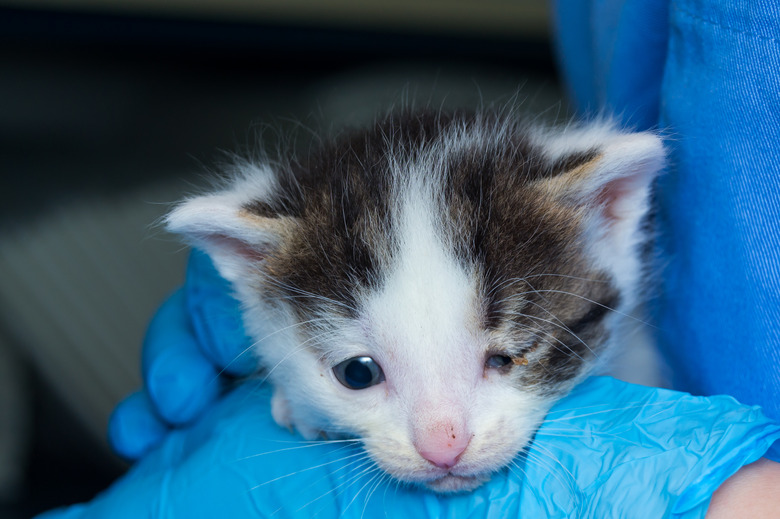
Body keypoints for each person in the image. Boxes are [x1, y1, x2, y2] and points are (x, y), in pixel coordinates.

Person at [48, 0, 780, 516]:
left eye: (502, 357)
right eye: (359, 371)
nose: (441, 440)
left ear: (608, 213)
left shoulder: (581, 219)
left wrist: (699, 493)